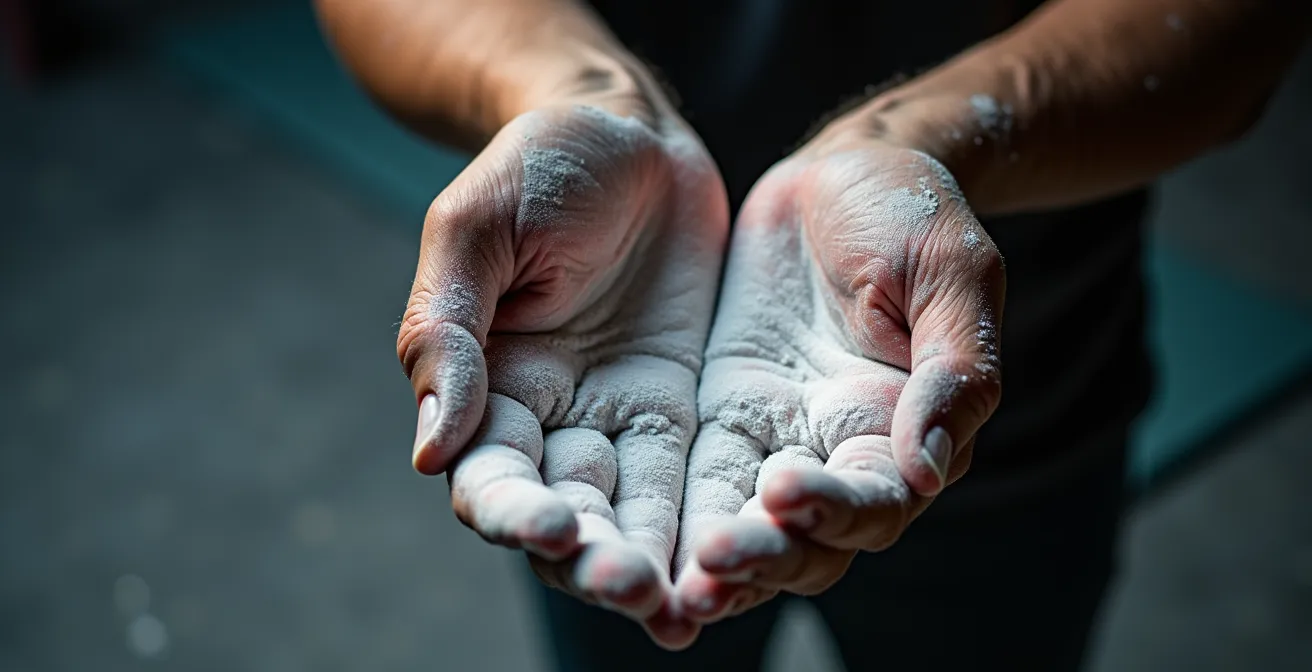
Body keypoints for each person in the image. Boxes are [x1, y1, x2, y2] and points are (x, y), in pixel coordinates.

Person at [314, 0, 1309, 669]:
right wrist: (572, 94)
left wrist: (922, 141)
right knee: (623, 595)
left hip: (976, 374)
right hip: (586, 393)